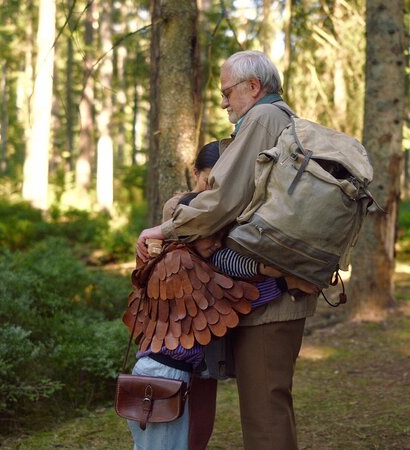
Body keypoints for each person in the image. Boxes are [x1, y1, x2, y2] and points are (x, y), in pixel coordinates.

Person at [136, 50, 316, 450]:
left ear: (253, 87)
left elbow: (223, 198)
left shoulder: (263, 118)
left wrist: (165, 228)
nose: (223, 102)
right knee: (267, 405)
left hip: (275, 301)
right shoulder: (280, 120)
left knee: (265, 413)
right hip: (273, 293)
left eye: (227, 91)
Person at [127, 191, 286, 450]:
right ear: (191, 229)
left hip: (168, 372)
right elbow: (226, 302)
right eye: (212, 234)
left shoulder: (180, 257)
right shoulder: (177, 261)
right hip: (163, 373)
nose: (217, 243)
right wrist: (281, 283)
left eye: (221, 236)